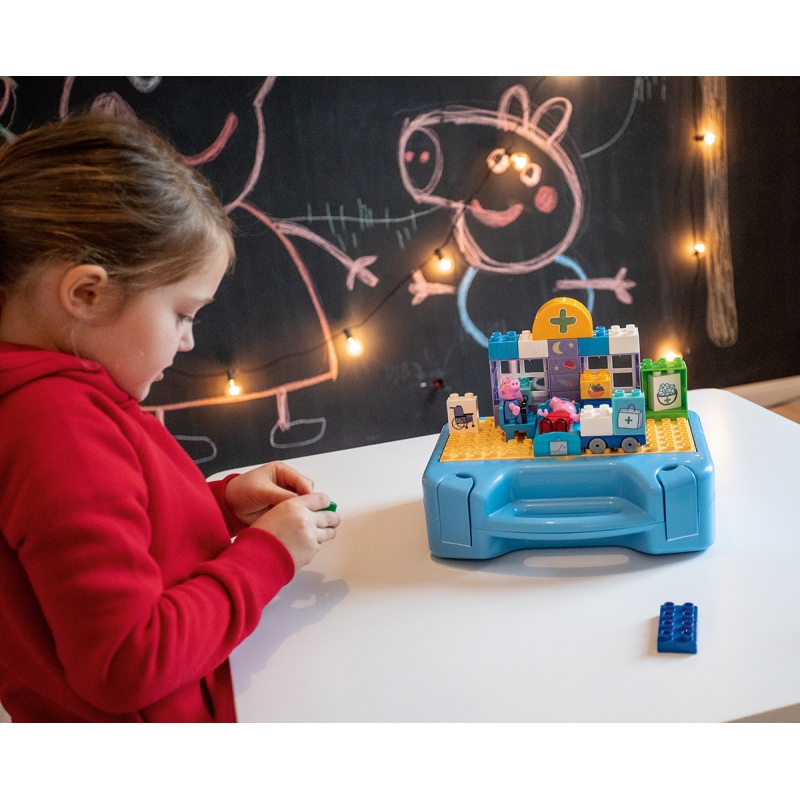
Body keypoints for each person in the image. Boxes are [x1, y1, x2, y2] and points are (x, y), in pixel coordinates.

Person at [0, 113, 340, 722]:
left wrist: (221, 505)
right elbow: (126, 663)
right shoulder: (57, 427)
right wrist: (269, 555)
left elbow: (96, 539)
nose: (187, 341)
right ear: (87, 294)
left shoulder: (44, 402)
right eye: (182, 313)